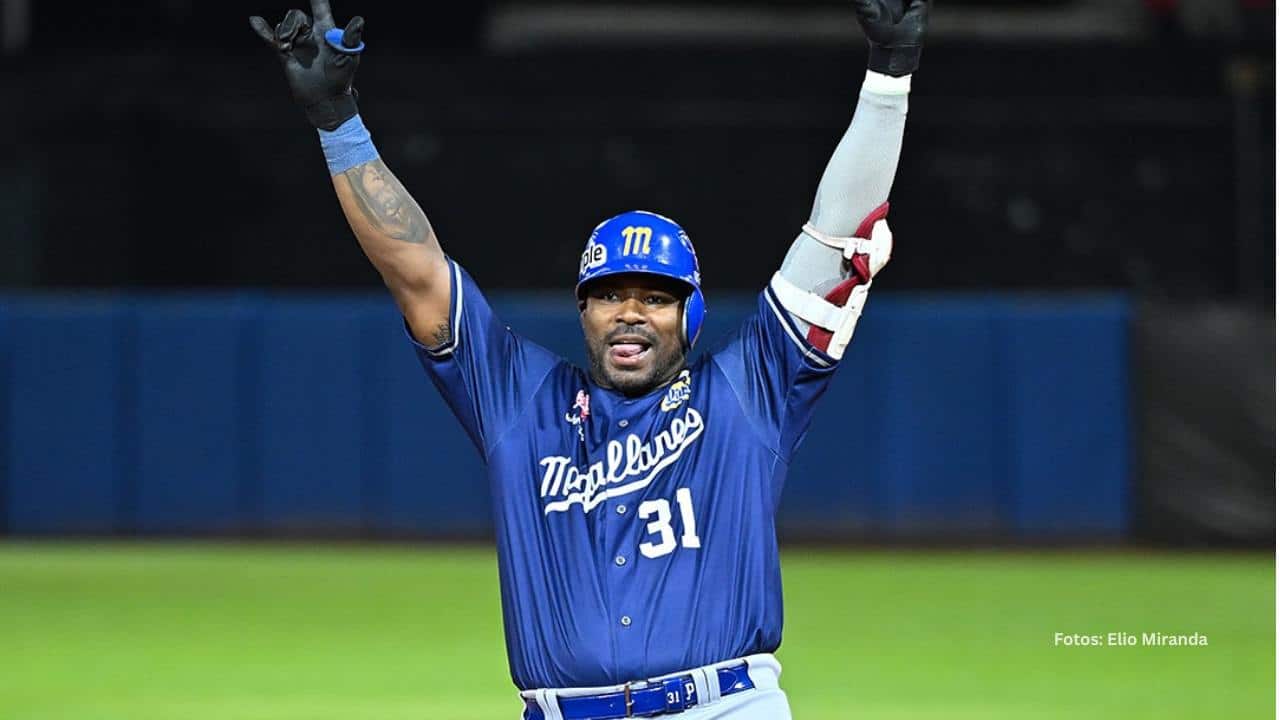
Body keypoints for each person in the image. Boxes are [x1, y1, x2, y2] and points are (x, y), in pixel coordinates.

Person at [250, 1, 929, 717]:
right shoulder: (519, 402)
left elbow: (833, 239)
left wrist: (889, 77)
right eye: (610, 295)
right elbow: (417, 272)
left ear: (690, 315)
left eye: (656, 297)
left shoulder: (749, 393)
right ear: (584, 310)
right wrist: (338, 125)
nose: (631, 311)